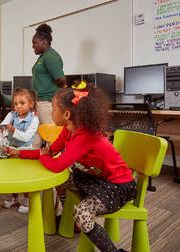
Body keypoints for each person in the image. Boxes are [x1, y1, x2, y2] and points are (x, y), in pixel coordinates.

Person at [9, 86, 136, 252]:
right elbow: (49, 151)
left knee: (82, 214)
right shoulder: (67, 131)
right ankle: (71, 221)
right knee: (62, 181)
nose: (51, 112)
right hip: (94, 178)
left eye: (54, 109)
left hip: (117, 186)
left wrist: (44, 156)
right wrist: (19, 153)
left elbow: (56, 164)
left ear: (67, 114)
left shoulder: (85, 135)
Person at [1, 89, 39, 214]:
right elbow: (2, 126)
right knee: (12, 176)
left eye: (22, 103)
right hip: (12, 148)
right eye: (16, 104)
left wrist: (12, 130)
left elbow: (26, 138)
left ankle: (27, 200)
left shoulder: (34, 120)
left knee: (24, 177)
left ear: (31, 104)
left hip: (26, 151)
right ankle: (15, 198)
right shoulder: (11, 115)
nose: (18, 107)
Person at [30, 23, 66, 149]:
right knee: (37, 132)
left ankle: (57, 161)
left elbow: (61, 80)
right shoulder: (43, 57)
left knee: (50, 135)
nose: (32, 46)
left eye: (35, 43)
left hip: (47, 102)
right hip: (39, 102)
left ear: (44, 41)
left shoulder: (51, 56)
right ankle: (34, 156)